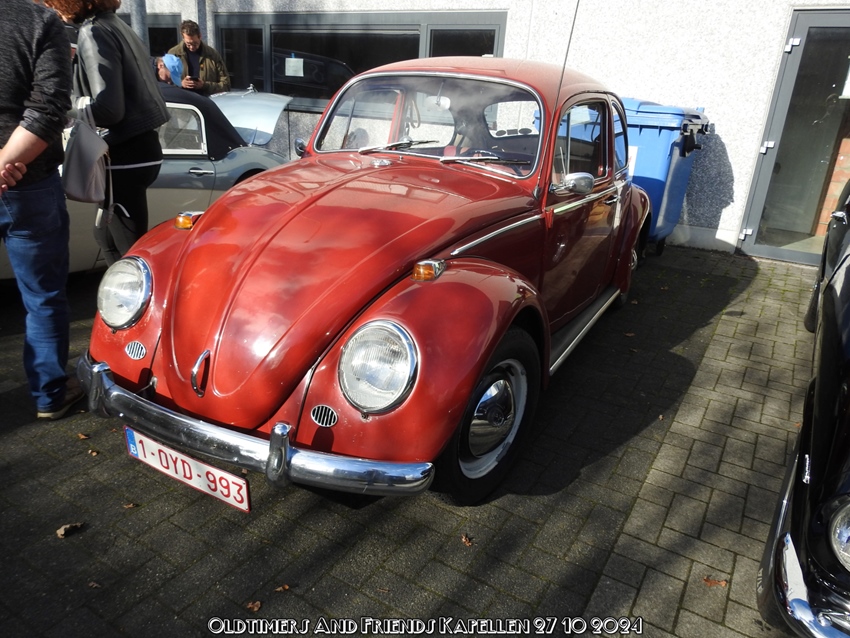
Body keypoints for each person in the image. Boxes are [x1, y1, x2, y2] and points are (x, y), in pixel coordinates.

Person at [0, 0, 82, 420]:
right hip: (26, 184)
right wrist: (3, 164)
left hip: (22, 182)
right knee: (43, 296)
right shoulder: (39, 20)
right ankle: (50, 394)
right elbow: (48, 108)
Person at [45, 0, 169, 266]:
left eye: (54, 3)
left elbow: (108, 110)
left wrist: (57, 101)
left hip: (123, 153)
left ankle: (144, 293)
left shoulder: (93, 31)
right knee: (106, 237)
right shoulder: (116, 24)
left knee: (130, 253)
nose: (53, 9)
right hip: (138, 147)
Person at [168, 20, 231, 96]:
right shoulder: (173, 54)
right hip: (182, 100)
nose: (192, 47)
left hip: (206, 100)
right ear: (183, 38)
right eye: (188, 44)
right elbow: (163, 84)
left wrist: (204, 85)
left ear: (200, 36)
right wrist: (180, 83)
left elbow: (226, 85)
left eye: (195, 43)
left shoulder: (212, 55)